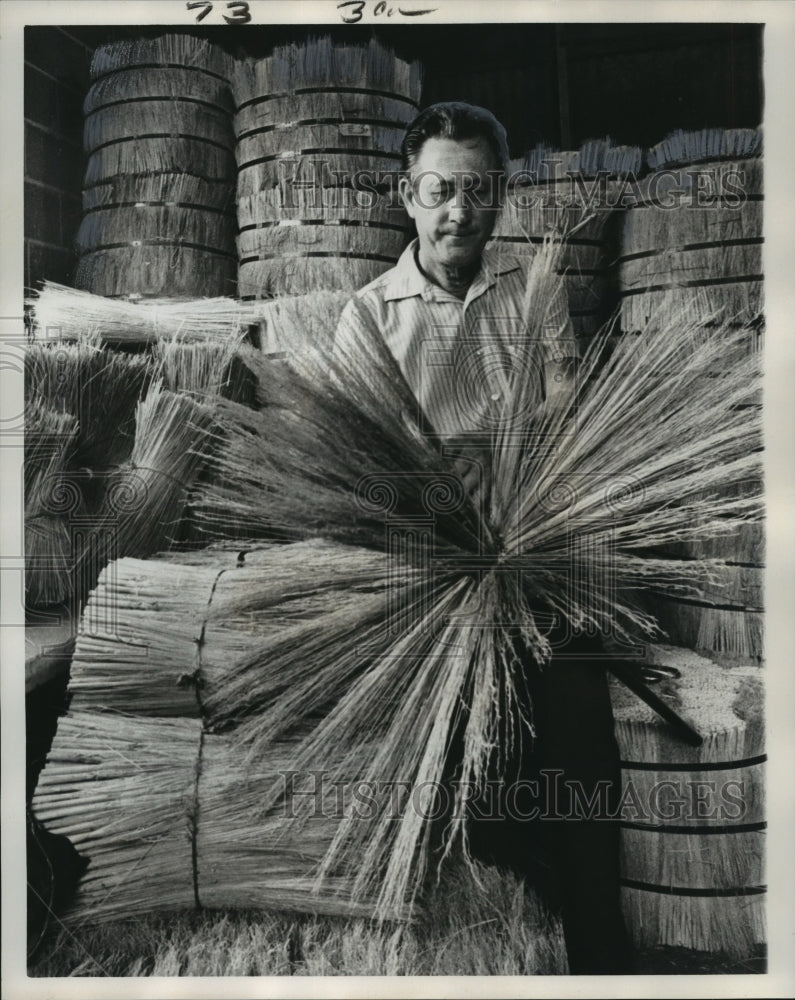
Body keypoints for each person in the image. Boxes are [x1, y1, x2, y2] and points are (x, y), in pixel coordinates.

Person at [334, 102, 634, 975]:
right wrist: (435, 484)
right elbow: (361, 466)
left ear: (498, 196)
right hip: (417, 578)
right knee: (474, 760)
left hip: (533, 560)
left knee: (577, 715)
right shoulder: (367, 318)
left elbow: (565, 423)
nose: (457, 209)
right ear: (407, 195)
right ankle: (485, 950)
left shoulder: (534, 295)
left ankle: (599, 963)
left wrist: (494, 454)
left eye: (476, 190)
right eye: (439, 190)